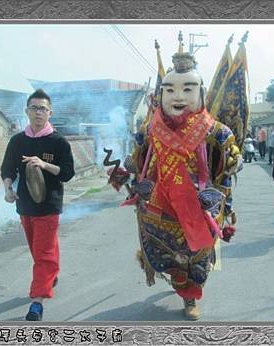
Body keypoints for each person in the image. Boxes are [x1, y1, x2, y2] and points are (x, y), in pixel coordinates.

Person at [113, 53, 242, 320]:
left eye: (187, 88)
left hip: (199, 206)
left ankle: (191, 297)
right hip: (159, 205)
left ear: (201, 93)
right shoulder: (150, 129)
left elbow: (229, 166)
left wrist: (232, 167)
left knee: (196, 256)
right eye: (169, 89)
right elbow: (137, 160)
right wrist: (124, 172)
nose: (178, 96)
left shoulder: (216, 130)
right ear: (160, 94)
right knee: (168, 255)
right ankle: (179, 284)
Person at [0, 89, 75, 321]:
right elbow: (7, 169)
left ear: (50, 113)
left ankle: (37, 302)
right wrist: (8, 189)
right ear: (27, 111)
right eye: (34, 108)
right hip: (25, 205)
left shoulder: (59, 142)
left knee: (43, 253)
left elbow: (67, 174)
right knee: (40, 250)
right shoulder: (17, 141)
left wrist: (44, 164)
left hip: (49, 206)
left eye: (43, 108)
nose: (38, 112)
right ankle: (51, 274)